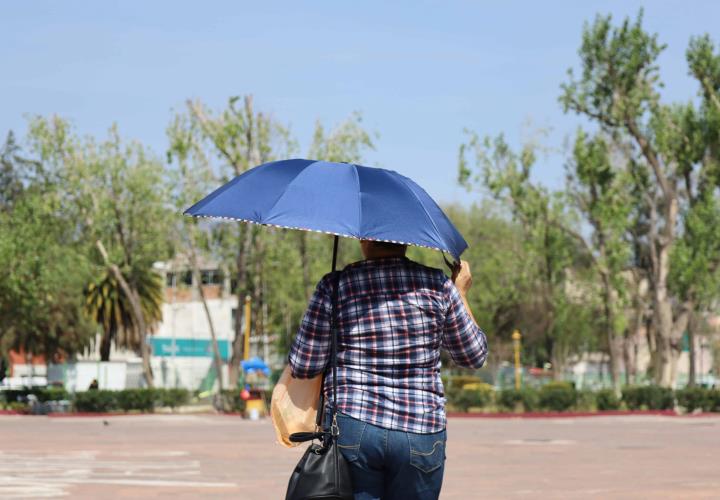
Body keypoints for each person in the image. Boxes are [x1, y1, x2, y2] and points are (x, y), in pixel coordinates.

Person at [289, 240, 488, 500]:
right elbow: (474, 356)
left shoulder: (335, 286)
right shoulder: (439, 286)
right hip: (420, 428)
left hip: (353, 423)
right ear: (406, 241)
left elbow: (304, 365)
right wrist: (460, 293)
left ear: (363, 238)